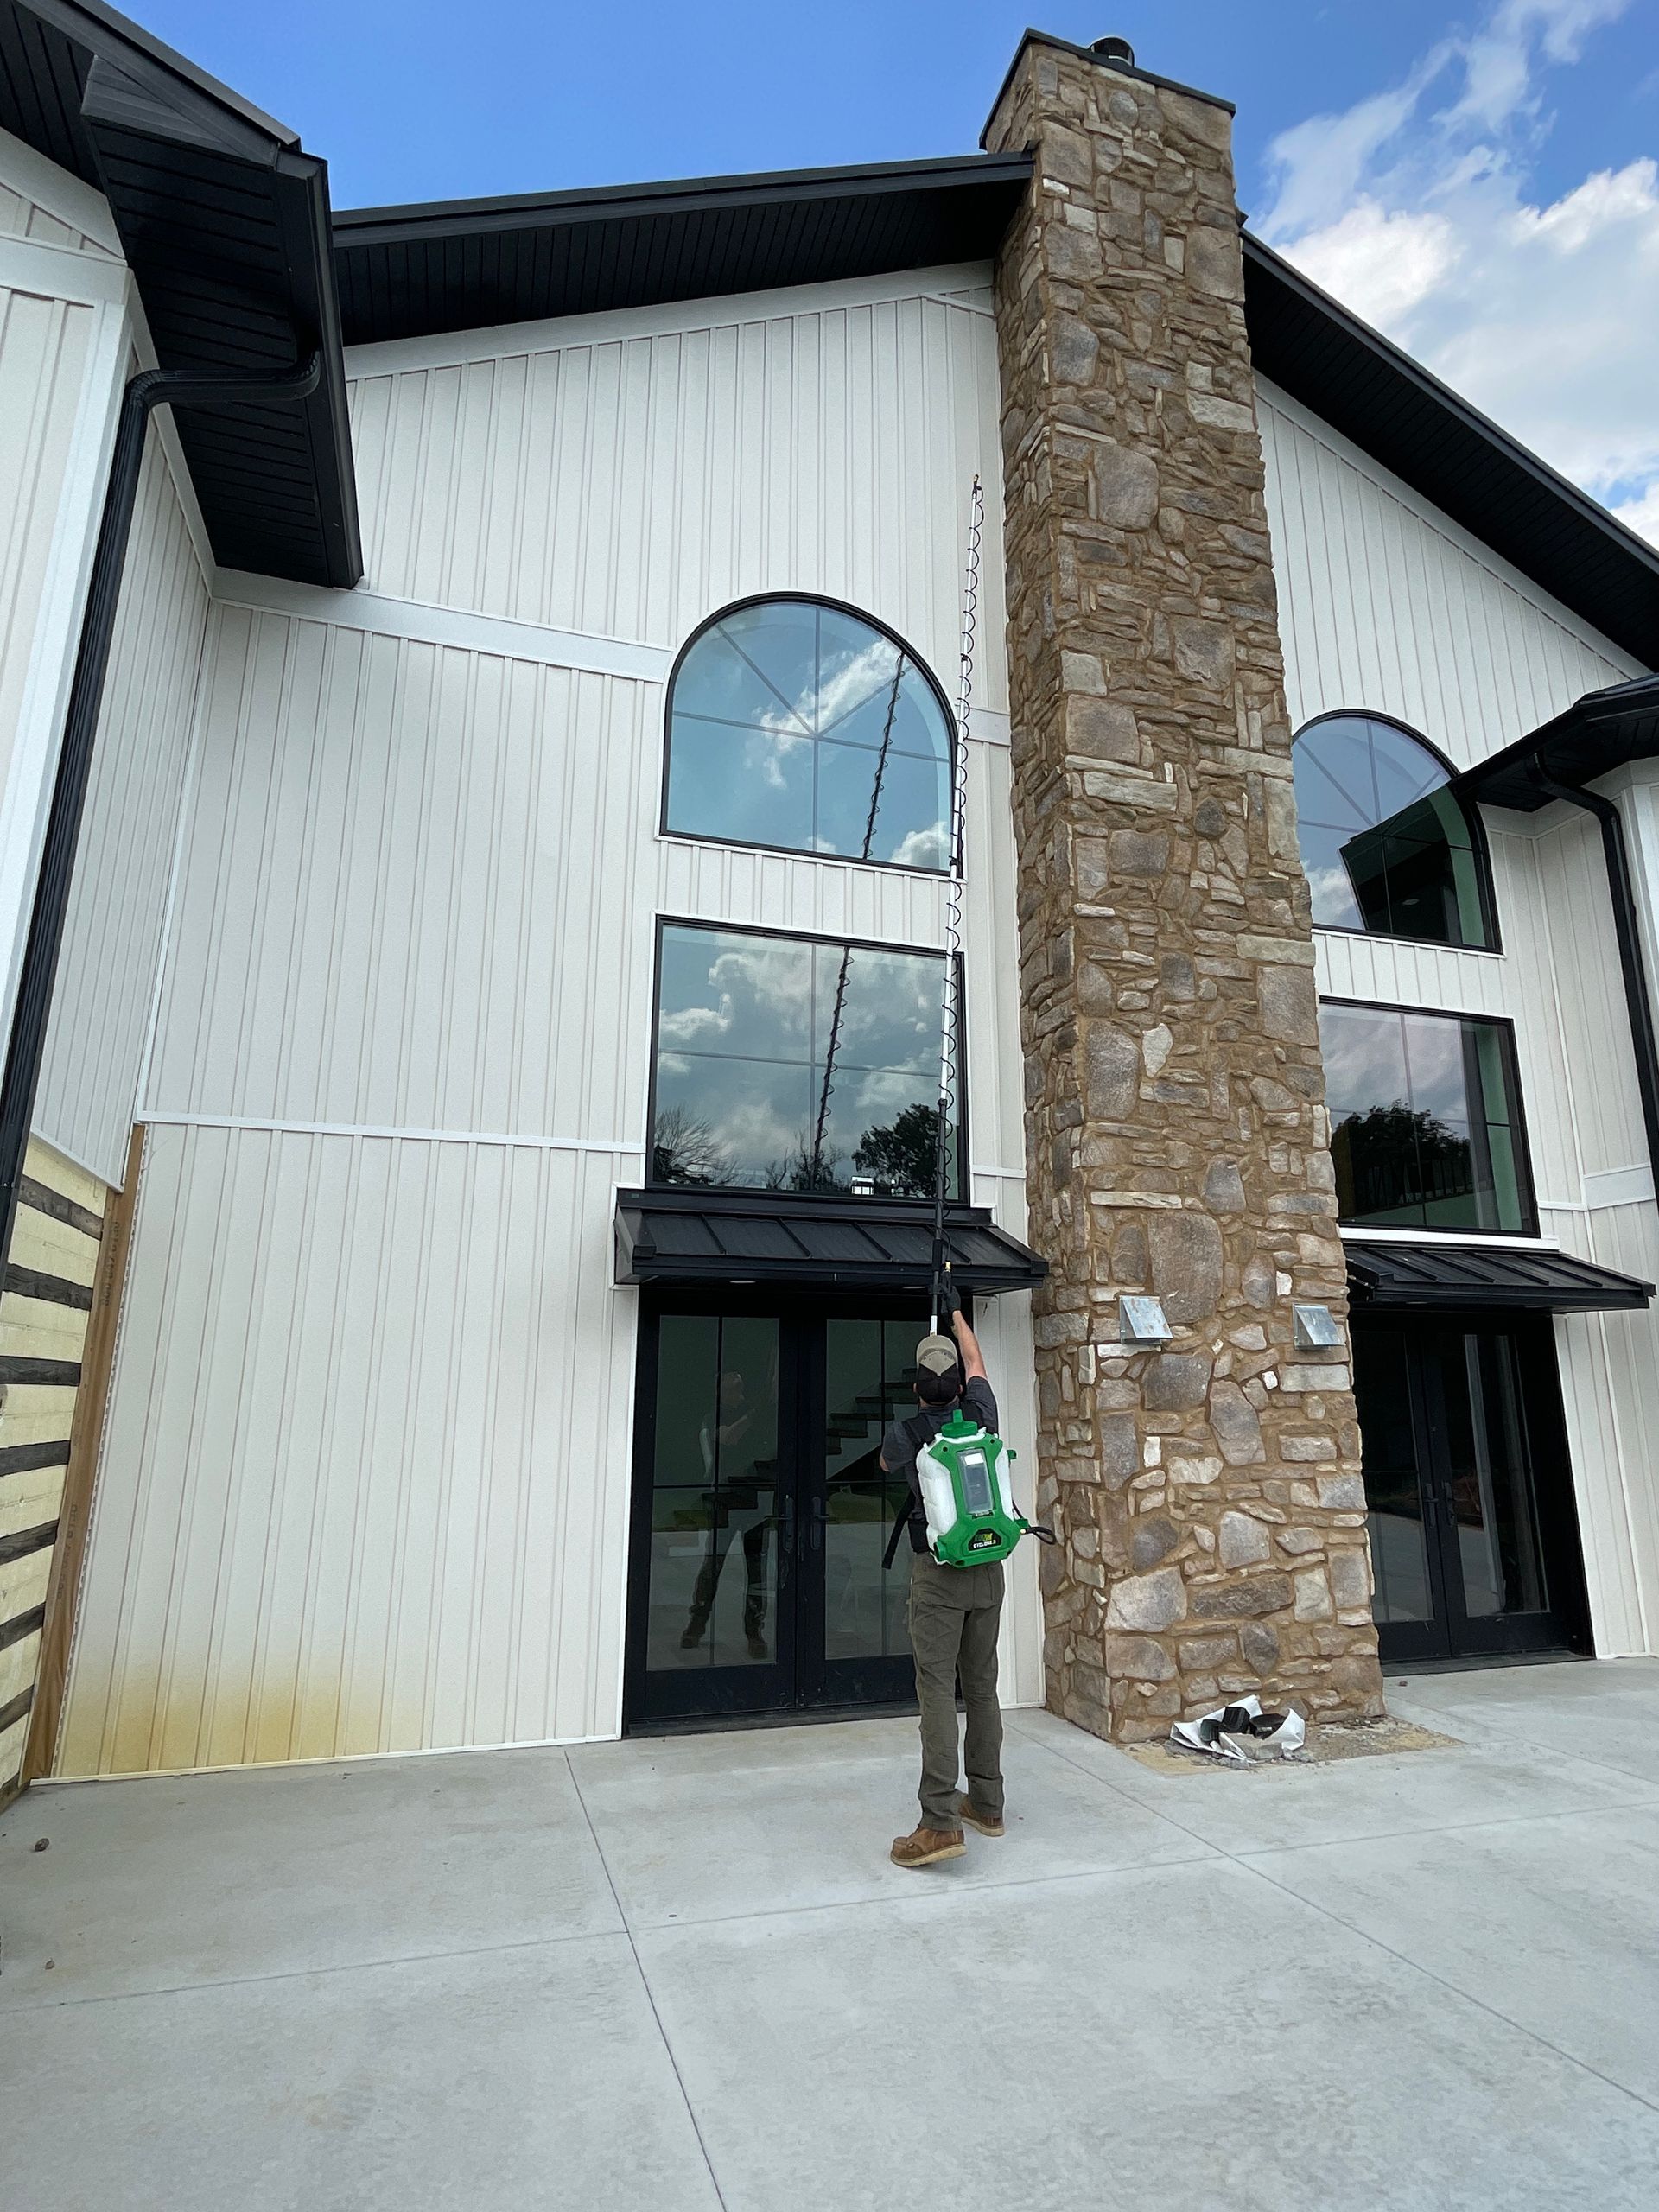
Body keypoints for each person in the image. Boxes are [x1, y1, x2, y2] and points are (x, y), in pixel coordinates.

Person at [879, 1299, 1005, 1868]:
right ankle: (988, 1802)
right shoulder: (981, 1413)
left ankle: (938, 1822)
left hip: (938, 1574)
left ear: (916, 1389)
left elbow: (884, 1467)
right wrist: (956, 1319)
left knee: (936, 1690)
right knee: (981, 1688)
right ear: (958, 1385)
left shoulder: (906, 1432)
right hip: (988, 1568)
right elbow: (977, 1363)